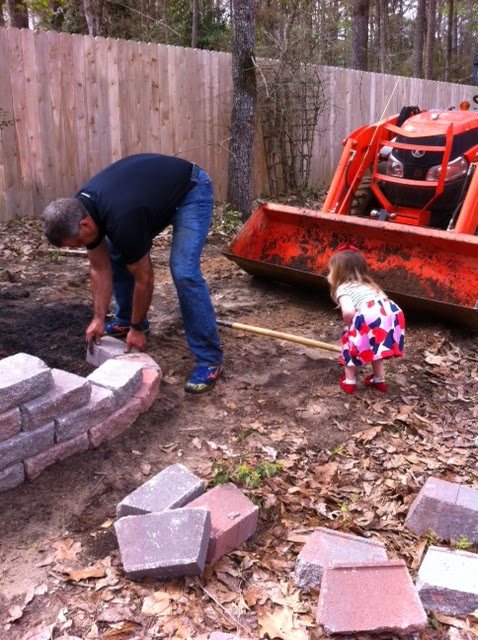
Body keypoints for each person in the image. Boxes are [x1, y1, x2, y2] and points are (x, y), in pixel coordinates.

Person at [41, 153, 224, 394]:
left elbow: (144, 278)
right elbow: (99, 267)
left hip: (190, 190)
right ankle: (126, 319)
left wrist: (137, 329)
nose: (79, 247)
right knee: (117, 252)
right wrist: (98, 318)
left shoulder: (121, 220)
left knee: (184, 271)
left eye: (76, 243)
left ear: (84, 225)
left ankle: (209, 358)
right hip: (148, 197)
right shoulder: (79, 209)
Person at [327, 244, 405, 394]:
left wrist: (350, 326)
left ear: (337, 272)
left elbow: (348, 311)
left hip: (371, 313)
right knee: (376, 345)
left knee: (350, 343)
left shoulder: (344, 288)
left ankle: (349, 382)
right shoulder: (370, 285)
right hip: (391, 313)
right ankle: (379, 380)